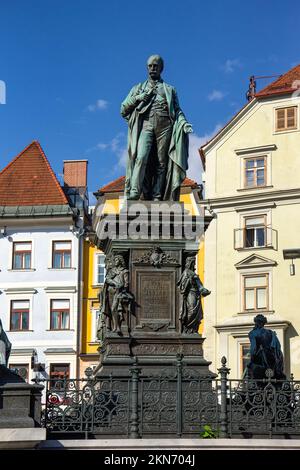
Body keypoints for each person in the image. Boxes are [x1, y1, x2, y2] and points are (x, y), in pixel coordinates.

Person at [121, 55, 193, 201]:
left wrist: (184, 123)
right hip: (146, 124)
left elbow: (177, 110)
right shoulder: (138, 88)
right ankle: (135, 191)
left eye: (156, 66)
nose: (153, 68)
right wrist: (138, 98)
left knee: (162, 162)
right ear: (147, 67)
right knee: (141, 157)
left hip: (165, 125)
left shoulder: (169, 90)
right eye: (150, 66)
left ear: (161, 68)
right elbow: (123, 109)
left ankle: (157, 195)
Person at [177, 256, 211, 334]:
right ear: (190, 263)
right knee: (192, 310)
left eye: (194, 263)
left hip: (197, 294)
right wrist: (190, 279)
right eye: (193, 263)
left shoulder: (193, 273)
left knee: (197, 313)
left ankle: (193, 329)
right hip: (190, 293)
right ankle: (187, 328)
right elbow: (183, 285)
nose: (194, 265)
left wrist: (204, 290)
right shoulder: (186, 272)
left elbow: (200, 285)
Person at [247, 314, 285, 379]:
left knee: (251, 372)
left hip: (261, 361)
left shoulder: (252, 333)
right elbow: (277, 348)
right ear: (263, 323)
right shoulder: (270, 332)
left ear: (256, 323)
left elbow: (253, 349)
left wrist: (251, 360)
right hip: (272, 361)